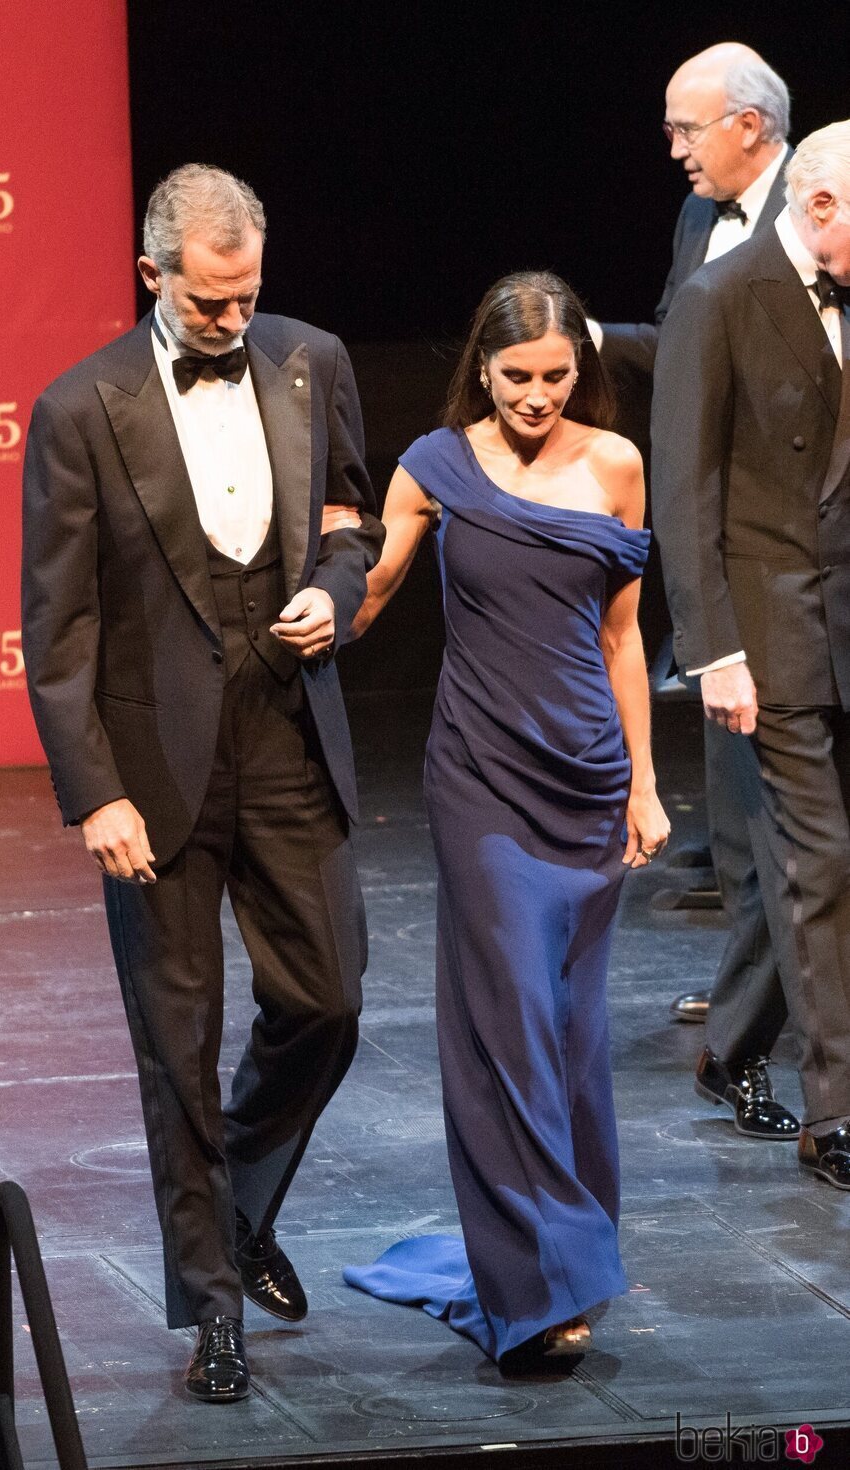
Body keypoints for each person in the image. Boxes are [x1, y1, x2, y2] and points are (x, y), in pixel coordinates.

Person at [21, 164, 383, 1401]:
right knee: (178, 1044)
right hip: (156, 769)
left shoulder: (311, 360)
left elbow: (352, 517)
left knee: (328, 1000)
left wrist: (333, 595)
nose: (235, 322)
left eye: (248, 299)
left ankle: (232, 1207)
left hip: (286, 733)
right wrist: (95, 794)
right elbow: (57, 626)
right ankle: (211, 1308)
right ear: (154, 275)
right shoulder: (82, 408)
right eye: (212, 303)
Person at [342, 272, 669, 1362]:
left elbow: (623, 640)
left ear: (581, 371)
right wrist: (318, 601)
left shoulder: (615, 465)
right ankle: (537, 1282)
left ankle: (566, 1251)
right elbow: (375, 588)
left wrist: (643, 781)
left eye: (555, 377)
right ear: (480, 366)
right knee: (510, 1022)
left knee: (569, 1034)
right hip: (479, 779)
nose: (534, 397)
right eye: (516, 376)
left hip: (583, 778)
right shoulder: (431, 467)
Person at [652, 122, 850, 1190]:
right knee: (818, 865)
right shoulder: (721, 297)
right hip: (769, 634)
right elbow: (683, 493)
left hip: (847, 620)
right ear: (818, 207)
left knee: (827, 867)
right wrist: (710, 649)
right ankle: (837, 1111)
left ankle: (730, 1044)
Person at [593, 44, 795, 1051]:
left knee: (790, 792)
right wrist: (591, 339)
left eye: (686, 128)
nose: (671, 148)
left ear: (748, 126)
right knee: (731, 788)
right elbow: (684, 343)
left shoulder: (820, 212)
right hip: (710, 521)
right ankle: (749, 993)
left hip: (796, 534)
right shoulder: (694, 219)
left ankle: (779, 1002)